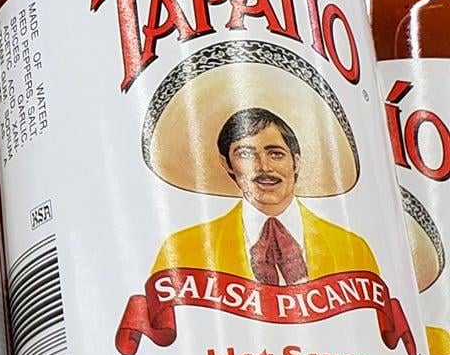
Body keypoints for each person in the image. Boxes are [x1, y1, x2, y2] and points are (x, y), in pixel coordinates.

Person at [152, 108, 378, 283]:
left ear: (296, 162)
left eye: (276, 154)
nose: (264, 167)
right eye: (245, 154)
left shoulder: (352, 248)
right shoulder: (183, 250)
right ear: (227, 163)